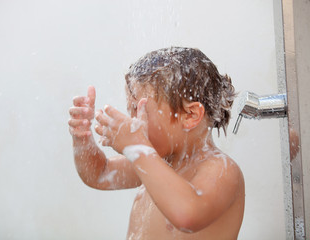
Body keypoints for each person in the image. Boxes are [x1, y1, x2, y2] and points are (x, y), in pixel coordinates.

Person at [68, 47, 245, 240]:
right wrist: (82, 138)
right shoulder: (158, 160)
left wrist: (138, 148)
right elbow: (100, 173)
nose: (133, 121)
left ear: (190, 115)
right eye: (131, 110)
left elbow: (188, 216)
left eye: (140, 110)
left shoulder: (222, 170)